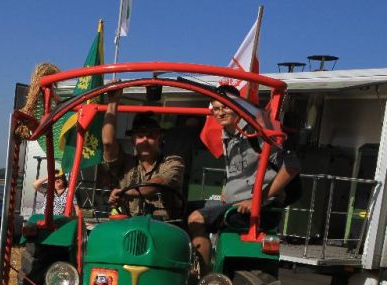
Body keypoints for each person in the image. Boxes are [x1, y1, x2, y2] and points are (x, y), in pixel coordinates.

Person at [187, 85, 301, 275]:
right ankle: (186, 267)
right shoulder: (228, 136)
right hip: (234, 203)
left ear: (239, 107)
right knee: (179, 210)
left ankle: (204, 281)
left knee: (196, 218)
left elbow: (292, 166)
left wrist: (258, 199)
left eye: (225, 107)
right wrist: (226, 189)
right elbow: (237, 171)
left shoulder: (257, 133)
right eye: (216, 108)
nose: (221, 112)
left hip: (253, 208)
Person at [100, 90, 185, 220]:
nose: (145, 140)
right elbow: (108, 142)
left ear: (159, 138)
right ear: (133, 140)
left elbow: (157, 184)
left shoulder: (173, 162)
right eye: (140, 136)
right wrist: (112, 102)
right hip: (130, 226)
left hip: (166, 227)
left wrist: (126, 192)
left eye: (151, 135)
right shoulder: (125, 163)